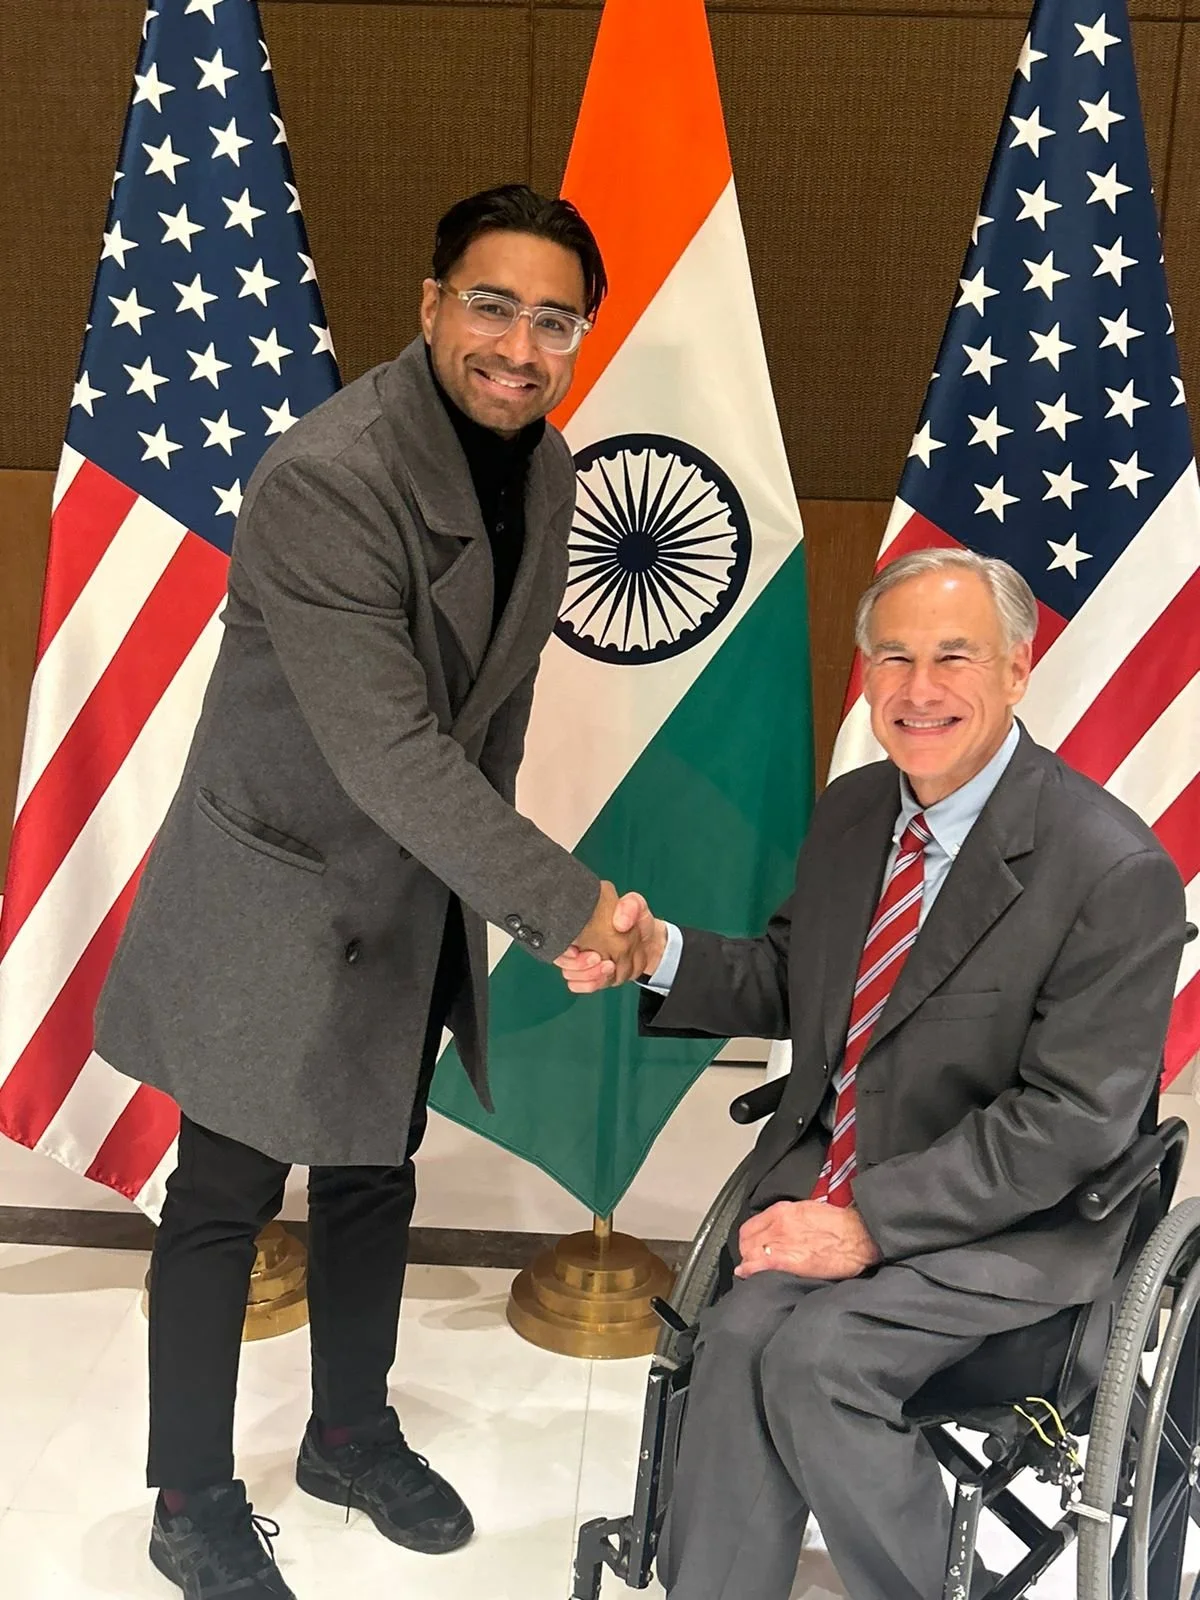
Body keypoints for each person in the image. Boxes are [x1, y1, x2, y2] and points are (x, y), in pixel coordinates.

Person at [95, 184, 643, 1600]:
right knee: (221, 1192)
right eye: (490, 303)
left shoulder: (554, 467)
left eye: (553, 318)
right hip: (277, 879)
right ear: (428, 303)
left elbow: (495, 713)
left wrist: (499, 880)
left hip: (414, 878)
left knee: (373, 1171)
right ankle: (189, 1497)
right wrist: (564, 904)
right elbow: (389, 744)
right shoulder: (328, 477)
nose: (519, 345)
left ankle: (349, 1433)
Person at [556, 548, 1188, 1600]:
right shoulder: (856, 813)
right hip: (845, 1183)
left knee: (818, 1361)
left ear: (1019, 671)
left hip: (1017, 1226)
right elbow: (796, 981)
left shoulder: (1112, 870)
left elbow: (1071, 1121)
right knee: (739, 1336)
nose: (919, 688)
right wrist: (654, 949)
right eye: (893, 657)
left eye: (954, 656)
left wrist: (867, 1224)